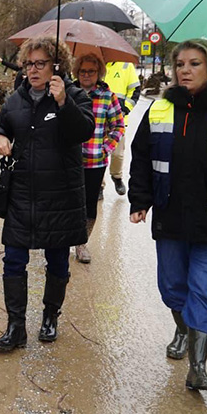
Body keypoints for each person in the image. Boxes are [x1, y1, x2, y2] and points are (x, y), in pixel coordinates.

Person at [128, 39, 207, 392]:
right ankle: (183, 329)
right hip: (170, 216)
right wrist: (139, 200)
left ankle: (198, 367)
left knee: (205, 290)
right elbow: (141, 157)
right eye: (180, 64)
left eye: (194, 63)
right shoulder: (160, 109)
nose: (185, 70)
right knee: (172, 287)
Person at [0, 37, 95, 351]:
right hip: (22, 193)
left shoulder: (74, 95)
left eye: (40, 64)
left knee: (57, 261)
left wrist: (64, 103)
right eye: (28, 64)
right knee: (13, 260)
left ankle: (50, 317)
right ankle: (16, 327)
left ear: (56, 65)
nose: (33, 70)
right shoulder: (17, 98)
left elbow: (84, 131)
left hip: (60, 196)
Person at [73, 53, 125, 264]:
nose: (86, 75)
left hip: (95, 161)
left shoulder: (107, 96)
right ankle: (61, 242)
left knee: (89, 204)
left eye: (91, 71)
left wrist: (106, 148)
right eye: (83, 71)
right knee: (66, 201)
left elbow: (118, 125)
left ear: (99, 73)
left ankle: (81, 244)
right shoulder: (68, 92)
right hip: (69, 160)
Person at [105, 60, 141, 195]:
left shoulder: (126, 65)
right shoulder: (94, 63)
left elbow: (135, 90)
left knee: (117, 154)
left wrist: (125, 109)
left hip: (118, 120)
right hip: (97, 118)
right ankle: (99, 186)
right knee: (97, 154)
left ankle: (116, 176)